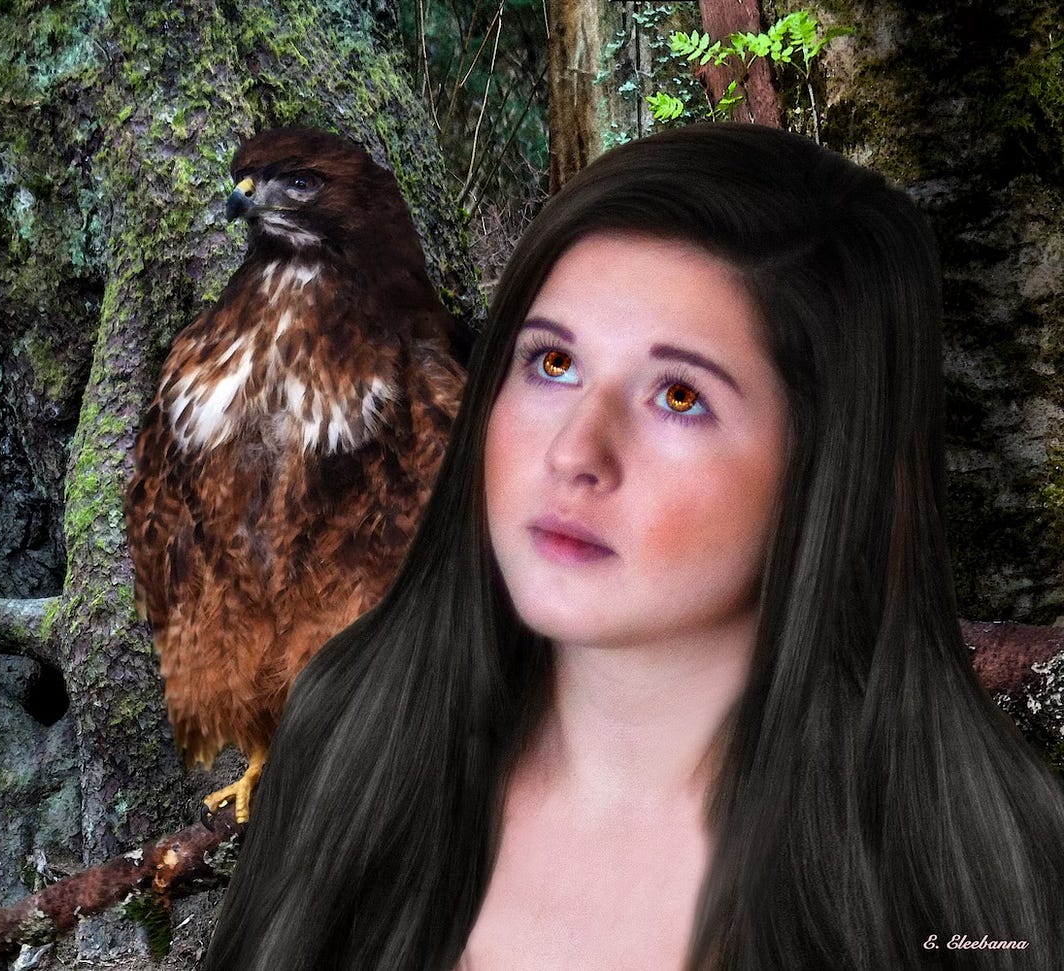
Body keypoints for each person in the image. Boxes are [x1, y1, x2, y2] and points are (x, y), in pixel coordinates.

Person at [199, 122, 1064, 970]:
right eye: (552, 364)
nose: (576, 451)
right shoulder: (354, 738)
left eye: (680, 396)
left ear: (827, 463)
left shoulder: (963, 878)